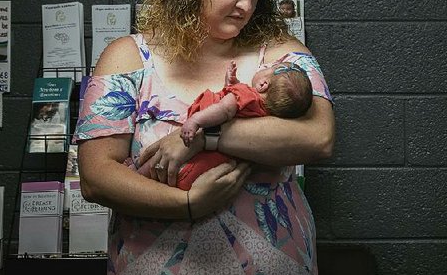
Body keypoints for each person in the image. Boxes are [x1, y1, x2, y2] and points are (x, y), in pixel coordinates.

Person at [74, 0, 334, 275]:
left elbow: (318, 138)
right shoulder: (127, 58)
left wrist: (202, 138)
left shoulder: (281, 55)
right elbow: (95, 176)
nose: (247, 5)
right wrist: (189, 203)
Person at [133, 59, 313, 191]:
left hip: (189, 159)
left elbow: (225, 110)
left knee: (155, 163)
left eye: (268, 68)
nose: (263, 67)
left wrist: (196, 121)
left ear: (263, 84)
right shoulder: (263, 112)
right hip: (206, 171)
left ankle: (136, 175)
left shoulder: (245, 95)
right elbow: (237, 107)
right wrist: (231, 85)